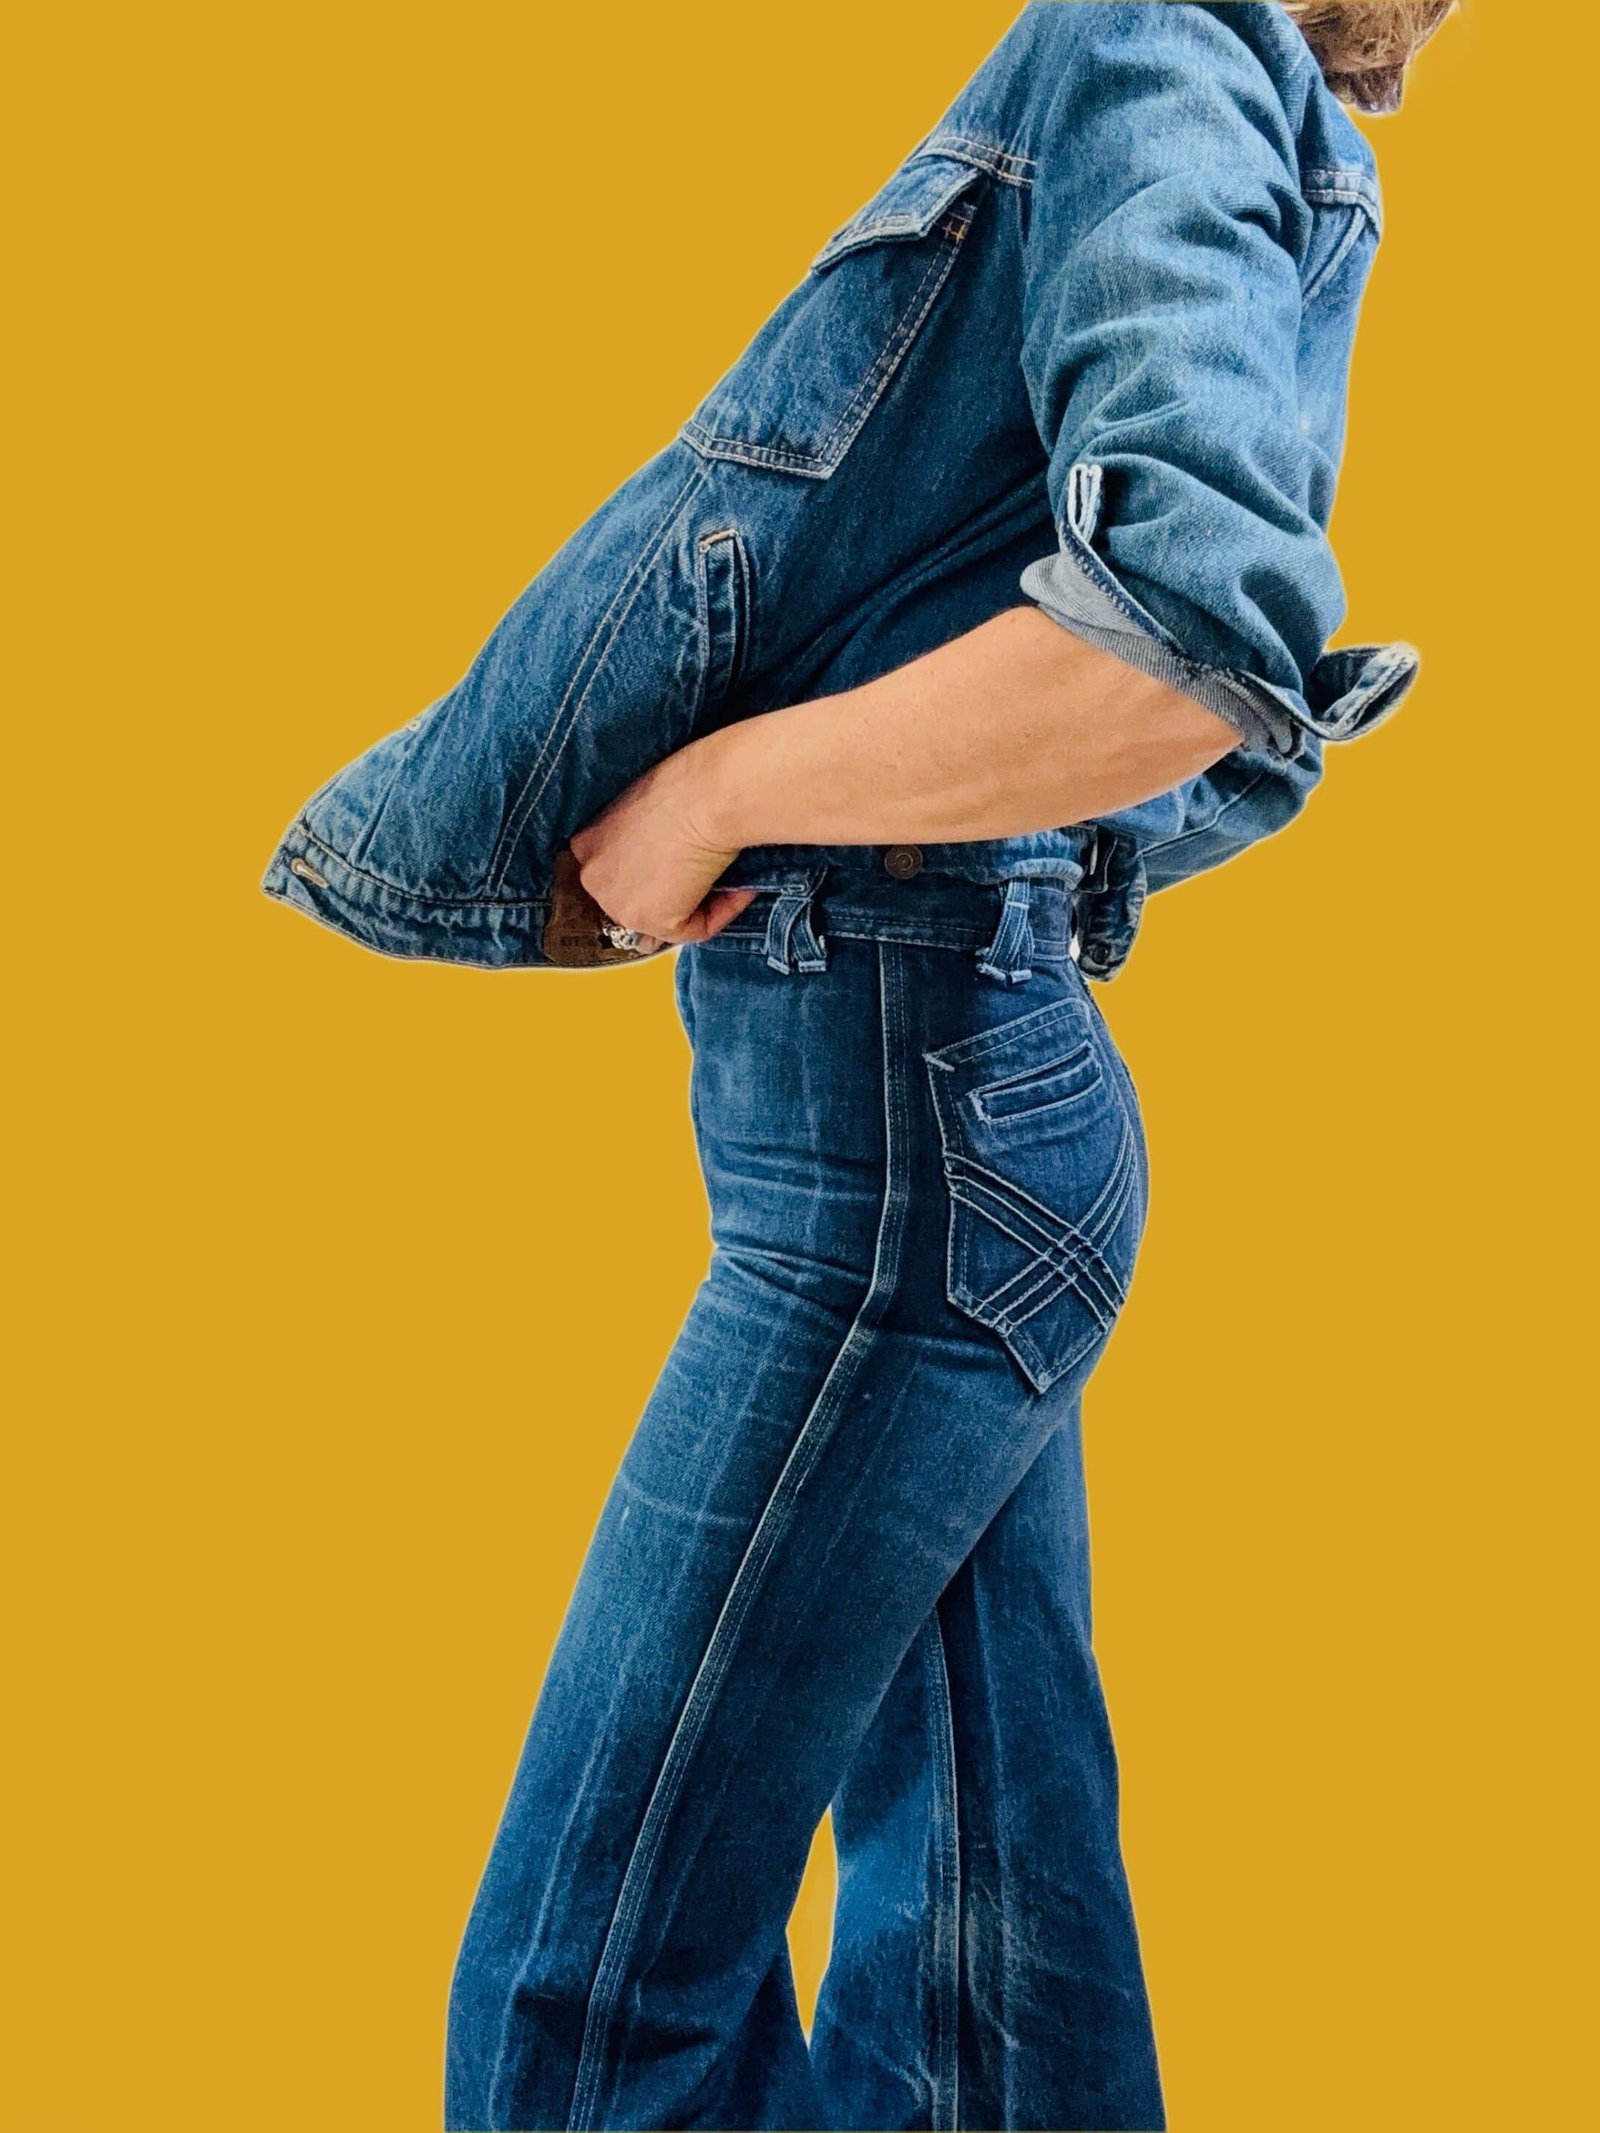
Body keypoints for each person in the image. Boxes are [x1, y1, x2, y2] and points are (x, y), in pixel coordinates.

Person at [261, 5, 1453, 2126]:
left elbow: (1178, 650)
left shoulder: (1149, 39)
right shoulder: (1238, 100)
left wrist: (714, 788)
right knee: (989, 1982)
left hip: (903, 1149)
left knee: (579, 2024)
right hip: (951, 1109)